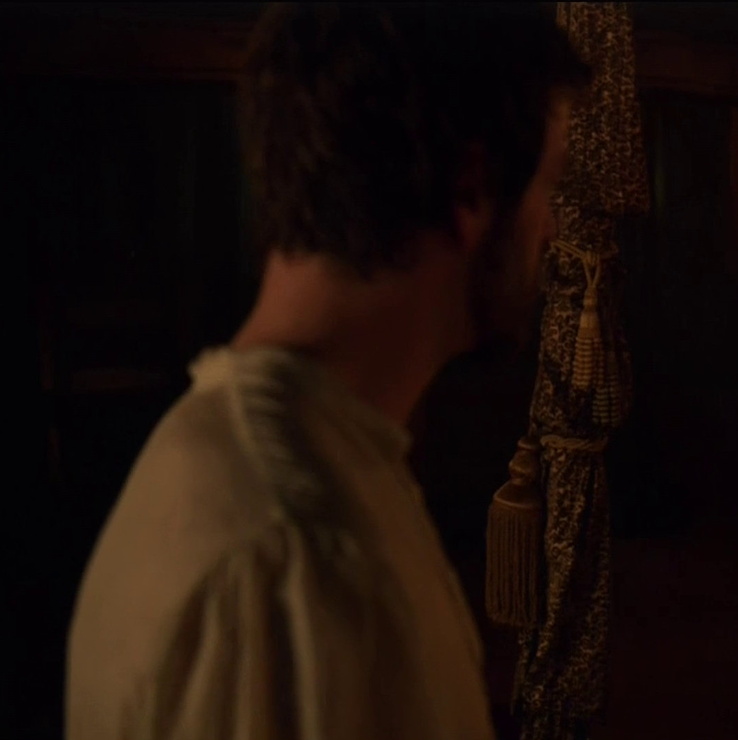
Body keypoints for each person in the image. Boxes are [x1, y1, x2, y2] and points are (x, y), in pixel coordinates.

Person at [65, 4, 591, 738]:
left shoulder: (266, 460)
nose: (553, 228)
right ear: (471, 189)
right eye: (548, 188)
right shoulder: (302, 566)